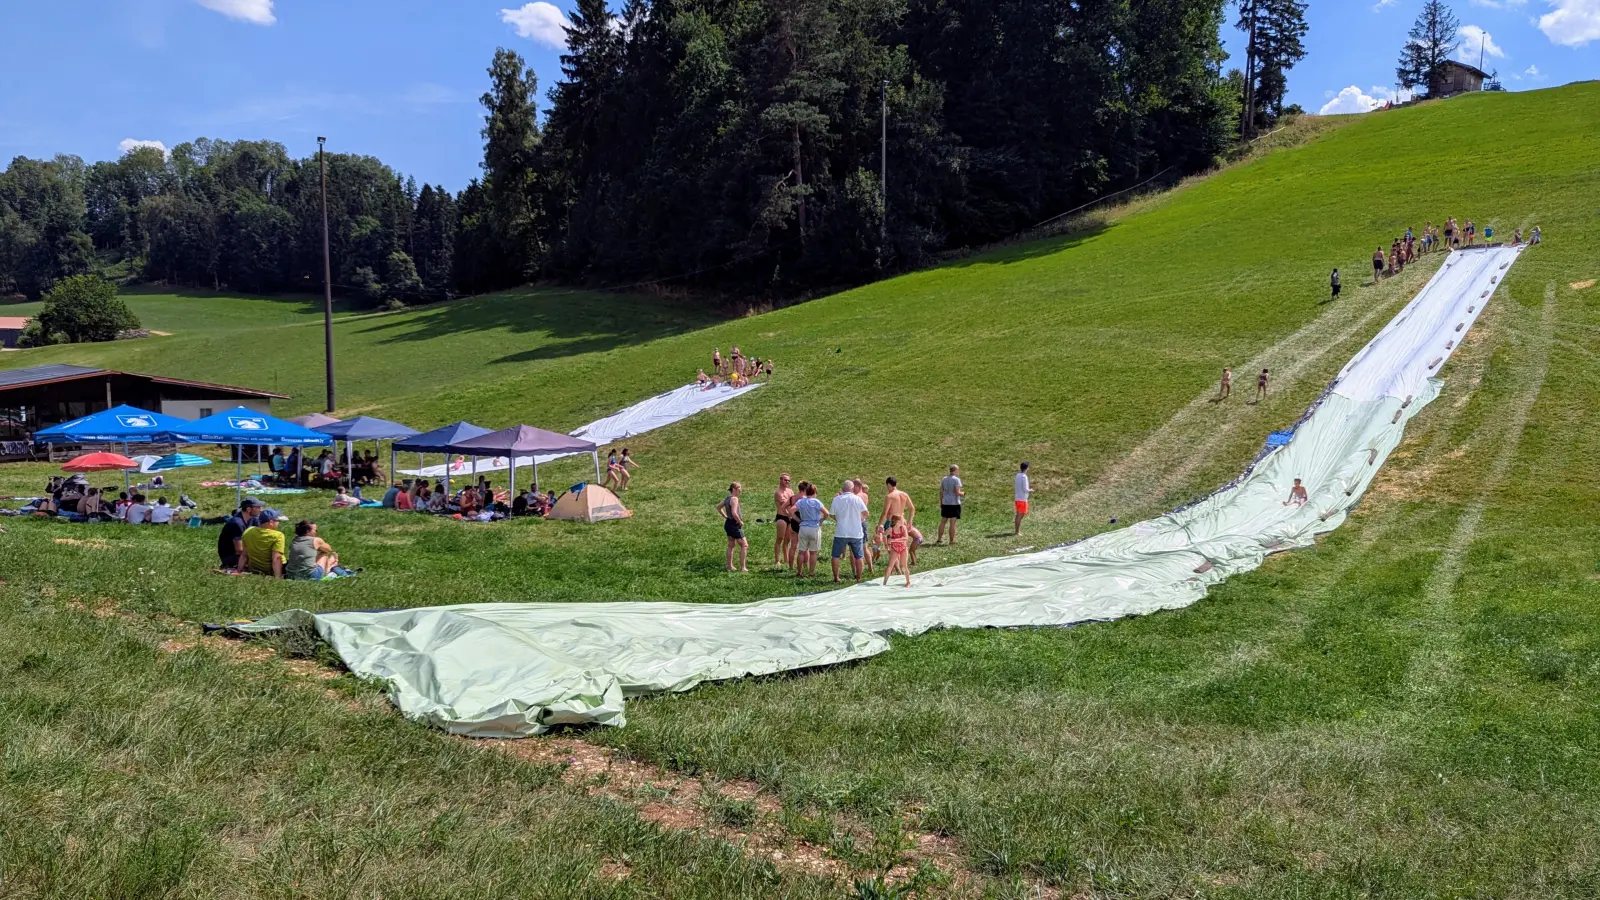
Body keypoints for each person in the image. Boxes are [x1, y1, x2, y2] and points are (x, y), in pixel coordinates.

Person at [286, 520, 354, 580]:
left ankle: (330, 564)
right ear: (307, 531)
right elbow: (328, 549)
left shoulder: (294, 540)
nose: (316, 532)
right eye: (315, 530)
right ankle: (327, 570)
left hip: (292, 576)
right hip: (310, 576)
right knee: (324, 553)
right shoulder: (315, 540)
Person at [829, 480, 868, 583]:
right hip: (856, 532)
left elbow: (831, 514)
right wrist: (859, 519)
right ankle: (859, 577)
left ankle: (836, 577)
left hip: (841, 532)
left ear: (842, 489)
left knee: (836, 555)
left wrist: (839, 519)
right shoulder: (857, 499)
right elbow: (865, 513)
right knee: (859, 556)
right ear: (852, 488)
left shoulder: (836, 499)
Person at [880, 476, 920, 565]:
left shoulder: (889, 496)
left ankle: (896, 566)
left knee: (892, 545)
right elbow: (912, 508)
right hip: (902, 521)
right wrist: (910, 521)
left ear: (888, 485)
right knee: (901, 544)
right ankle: (903, 564)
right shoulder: (904, 494)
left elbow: (884, 512)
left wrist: (880, 524)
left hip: (892, 522)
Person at [240, 509, 288, 577]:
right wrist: (278, 577)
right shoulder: (278, 536)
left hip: (254, 569)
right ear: (271, 522)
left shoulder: (248, 531)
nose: (278, 522)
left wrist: (239, 571)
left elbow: (244, 555)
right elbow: (276, 559)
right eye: (277, 520)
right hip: (271, 571)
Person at [793, 481, 826, 577]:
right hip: (814, 528)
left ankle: (799, 572)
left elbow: (791, 511)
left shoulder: (800, 501)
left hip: (803, 527)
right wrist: (821, 520)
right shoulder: (817, 502)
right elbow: (826, 513)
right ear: (815, 492)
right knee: (813, 552)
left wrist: (799, 520)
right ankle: (811, 572)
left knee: (801, 551)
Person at [218, 498, 261, 569]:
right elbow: (239, 550)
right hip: (231, 556)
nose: (260, 509)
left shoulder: (253, 519)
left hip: (245, 553)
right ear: (249, 509)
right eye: (258, 507)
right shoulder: (237, 523)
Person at [717, 482, 748, 572]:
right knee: (744, 545)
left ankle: (729, 566)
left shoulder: (727, 498)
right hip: (734, 525)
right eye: (739, 488)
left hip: (728, 524)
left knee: (731, 545)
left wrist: (726, 517)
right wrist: (740, 521)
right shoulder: (734, 499)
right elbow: (734, 513)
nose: (740, 490)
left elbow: (718, 507)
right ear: (734, 489)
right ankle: (743, 567)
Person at [773, 474, 797, 568]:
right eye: (785, 480)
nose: (787, 482)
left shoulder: (790, 491)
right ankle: (777, 560)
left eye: (788, 480)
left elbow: (793, 503)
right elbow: (783, 507)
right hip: (782, 517)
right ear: (780, 480)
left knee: (787, 540)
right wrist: (790, 515)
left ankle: (786, 559)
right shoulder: (778, 493)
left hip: (790, 517)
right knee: (780, 538)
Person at [882, 514, 912, 587]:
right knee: (890, 566)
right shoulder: (891, 529)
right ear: (897, 521)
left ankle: (908, 582)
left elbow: (906, 538)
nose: (904, 520)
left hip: (903, 548)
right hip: (894, 548)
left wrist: (894, 540)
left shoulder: (903, 528)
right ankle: (884, 582)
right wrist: (886, 544)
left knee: (904, 566)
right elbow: (884, 535)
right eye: (902, 519)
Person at [937, 464, 964, 545]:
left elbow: (941, 492)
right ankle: (951, 541)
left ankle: (939, 539)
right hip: (954, 503)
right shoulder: (956, 480)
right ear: (955, 470)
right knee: (952, 522)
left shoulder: (944, 479)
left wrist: (941, 502)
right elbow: (957, 492)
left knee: (943, 521)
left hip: (945, 502)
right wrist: (963, 493)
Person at [1013, 462, 1033, 536]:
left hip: (1017, 498)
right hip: (1022, 499)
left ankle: (1016, 530)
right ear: (1026, 468)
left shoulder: (1018, 475)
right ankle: (1017, 532)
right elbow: (1025, 489)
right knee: (1020, 515)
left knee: (1018, 514)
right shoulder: (1024, 477)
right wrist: (1030, 490)